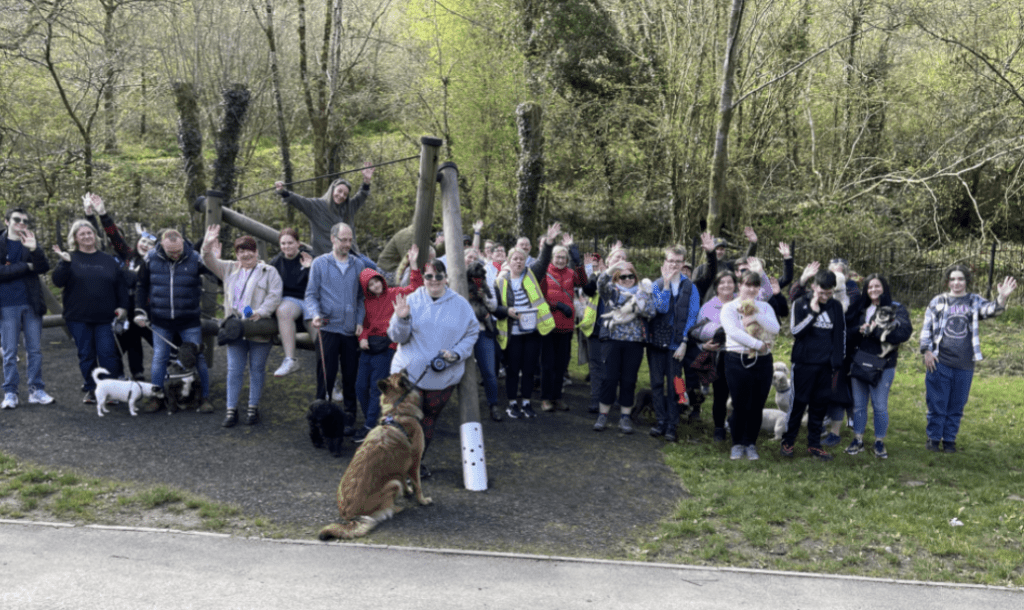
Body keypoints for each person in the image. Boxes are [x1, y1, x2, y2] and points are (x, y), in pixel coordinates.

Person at [389, 260, 478, 476]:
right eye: (429, 276)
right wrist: (402, 319)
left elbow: (472, 333)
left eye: (439, 276)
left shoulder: (461, 305)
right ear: (424, 278)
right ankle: (395, 467)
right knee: (404, 421)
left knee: (428, 421)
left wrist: (457, 353)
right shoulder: (411, 300)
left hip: (443, 377)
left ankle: (415, 466)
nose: (434, 281)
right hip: (408, 375)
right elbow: (396, 336)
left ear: (446, 278)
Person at [920, 266, 1016, 453]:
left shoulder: (973, 300)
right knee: (937, 403)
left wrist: (1003, 297)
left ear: (967, 281)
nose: (957, 283)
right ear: (948, 281)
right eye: (953, 279)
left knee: (957, 404)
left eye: (961, 279)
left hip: (965, 364)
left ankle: (949, 441)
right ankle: (933, 439)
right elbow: (927, 327)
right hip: (940, 362)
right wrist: (926, 351)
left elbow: (992, 310)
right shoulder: (938, 301)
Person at [201, 225, 283, 427]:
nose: (245, 254)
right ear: (236, 254)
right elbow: (208, 260)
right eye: (241, 250)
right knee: (234, 370)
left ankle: (252, 408)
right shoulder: (229, 268)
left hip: (259, 328)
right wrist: (207, 243)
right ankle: (231, 410)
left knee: (257, 369)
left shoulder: (269, 271)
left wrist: (260, 312)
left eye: (249, 250)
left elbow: (274, 296)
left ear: (256, 252)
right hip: (234, 328)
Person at [133, 228, 213, 413]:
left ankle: (204, 397)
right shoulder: (150, 258)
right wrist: (140, 311)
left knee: (198, 357)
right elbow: (141, 285)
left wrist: (212, 257)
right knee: (160, 357)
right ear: (161, 245)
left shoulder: (194, 257)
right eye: (171, 252)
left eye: (179, 250)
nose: (176, 254)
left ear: (183, 243)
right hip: (161, 320)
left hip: (189, 319)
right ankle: (157, 395)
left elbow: (216, 275)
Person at [52, 219, 130, 404]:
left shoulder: (108, 259)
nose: (87, 236)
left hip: (105, 317)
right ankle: (92, 389)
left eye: (90, 233)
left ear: (95, 236)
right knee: (86, 354)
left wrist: (123, 306)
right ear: (75, 238)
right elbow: (57, 282)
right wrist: (64, 263)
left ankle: (110, 391)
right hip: (78, 318)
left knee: (107, 353)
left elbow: (121, 286)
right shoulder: (69, 257)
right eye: (82, 234)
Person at [81, 193, 155, 382]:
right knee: (121, 344)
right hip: (123, 308)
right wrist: (99, 214)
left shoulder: (156, 263)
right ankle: (121, 377)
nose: (145, 245)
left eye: (150, 243)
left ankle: (175, 375)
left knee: (157, 343)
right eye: (143, 241)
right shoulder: (127, 256)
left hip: (146, 311)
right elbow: (112, 236)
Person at [354, 244, 422, 442]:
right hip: (369, 348)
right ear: (367, 288)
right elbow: (364, 324)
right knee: (360, 386)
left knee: (378, 387)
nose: (376, 287)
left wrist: (414, 263)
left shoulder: (394, 293)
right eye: (371, 285)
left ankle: (369, 426)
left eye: (378, 282)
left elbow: (415, 288)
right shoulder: (366, 303)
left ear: (382, 280)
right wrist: (362, 337)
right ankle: (372, 419)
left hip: (386, 347)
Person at [844, 274, 912, 458]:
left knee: (880, 405)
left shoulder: (896, 308)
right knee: (858, 406)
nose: (873, 290)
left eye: (877, 286)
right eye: (870, 287)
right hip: (859, 362)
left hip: (884, 364)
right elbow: (846, 332)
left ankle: (879, 442)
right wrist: (857, 330)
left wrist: (875, 331)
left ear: (884, 288)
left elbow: (903, 333)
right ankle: (857, 439)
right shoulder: (859, 308)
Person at [781, 269, 846, 461]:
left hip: (826, 365)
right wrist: (813, 313)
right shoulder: (800, 303)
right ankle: (788, 442)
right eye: (822, 293)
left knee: (819, 405)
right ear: (813, 287)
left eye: (829, 293)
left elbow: (840, 335)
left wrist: (837, 361)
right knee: (798, 403)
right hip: (804, 363)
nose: (826, 296)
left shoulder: (835, 307)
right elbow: (795, 331)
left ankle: (814, 445)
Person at [304, 222, 367, 422]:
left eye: (350, 240)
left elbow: (361, 298)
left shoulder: (358, 265)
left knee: (351, 376)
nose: (348, 244)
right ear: (333, 239)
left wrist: (359, 320)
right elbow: (311, 295)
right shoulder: (320, 263)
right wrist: (314, 313)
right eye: (344, 240)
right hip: (327, 327)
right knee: (326, 376)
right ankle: (319, 418)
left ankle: (349, 417)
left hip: (349, 329)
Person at [495, 224, 559, 419]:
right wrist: (508, 311)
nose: (518, 262)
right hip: (512, 334)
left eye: (522, 259)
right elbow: (496, 308)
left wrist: (548, 242)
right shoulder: (500, 281)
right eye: (515, 258)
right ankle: (513, 403)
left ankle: (527, 402)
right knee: (513, 370)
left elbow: (544, 260)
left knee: (529, 370)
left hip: (532, 332)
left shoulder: (532, 274)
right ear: (509, 261)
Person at [720, 271, 780, 460]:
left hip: (762, 361)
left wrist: (756, 314)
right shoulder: (729, 308)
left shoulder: (765, 306)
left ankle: (750, 443)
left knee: (757, 404)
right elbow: (733, 332)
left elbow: (775, 328)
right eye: (748, 284)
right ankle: (737, 443)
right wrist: (758, 345)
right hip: (737, 359)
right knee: (739, 403)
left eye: (756, 285)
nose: (752, 289)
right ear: (740, 286)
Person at [594, 260, 656, 434]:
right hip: (612, 340)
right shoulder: (611, 292)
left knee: (629, 380)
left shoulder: (643, 292)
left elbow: (651, 311)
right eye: (623, 276)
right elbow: (600, 282)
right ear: (617, 277)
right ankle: (603, 415)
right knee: (609, 378)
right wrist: (615, 266)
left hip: (634, 342)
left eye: (631, 276)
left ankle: (625, 417)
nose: (627, 279)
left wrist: (634, 308)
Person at [0, 208, 53, 409]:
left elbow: (43, 267)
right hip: (6, 305)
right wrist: (25, 267)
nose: (21, 223)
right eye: (17, 220)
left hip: (31, 303)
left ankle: (36, 390)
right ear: (7, 221)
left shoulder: (30, 242)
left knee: (35, 350)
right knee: (10, 351)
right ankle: (10, 392)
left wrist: (34, 251)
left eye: (25, 221)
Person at [646, 245, 700, 442]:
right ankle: (660, 421)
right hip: (657, 343)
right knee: (657, 383)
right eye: (671, 261)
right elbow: (659, 309)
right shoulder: (656, 285)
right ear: (665, 262)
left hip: (677, 345)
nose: (674, 265)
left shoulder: (691, 287)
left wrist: (685, 341)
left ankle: (672, 424)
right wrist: (667, 286)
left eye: (678, 262)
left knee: (676, 384)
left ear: (683, 263)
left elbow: (692, 317)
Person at [274, 163, 374, 256]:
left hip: (350, 254)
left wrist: (367, 180)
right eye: (339, 191)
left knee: (372, 268)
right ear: (332, 189)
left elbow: (361, 196)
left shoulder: (349, 207)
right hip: (326, 255)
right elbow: (298, 200)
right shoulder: (316, 206)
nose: (341, 195)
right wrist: (283, 191)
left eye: (345, 194)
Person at [539, 234, 587, 413]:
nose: (560, 260)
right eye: (557, 257)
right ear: (552, 258)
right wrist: (556, 305)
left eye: (563, 257)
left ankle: (557, 397)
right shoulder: (545, 273)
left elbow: (583, 282)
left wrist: (578, 260)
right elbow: (540, 298)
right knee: (548, 364)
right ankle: (545, 399)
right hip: (548, 325)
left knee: (561, 365)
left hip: (566, 326)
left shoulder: (570, 273)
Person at [694, 271, 739, 442]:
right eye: (722, 283)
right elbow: (696, 331)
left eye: (730, 282)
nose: (726, 285)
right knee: (720, 394)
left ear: (735, 285)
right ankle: (719, 427)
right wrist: (704, 344)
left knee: (739, 393)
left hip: (740, 355)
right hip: (720, 357)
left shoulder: (742, 303)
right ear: (716, 287)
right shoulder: (708, 307)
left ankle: (735, 424)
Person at [269, 228, 313, 377]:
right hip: (290, 300)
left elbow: (322, 283)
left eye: (290, 243)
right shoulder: (276, 262)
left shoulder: (308, 257)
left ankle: (330, 382)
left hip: (310, 299)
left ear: (298, 243)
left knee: (319, 334)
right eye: (283, 243)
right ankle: (290, 359)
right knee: (283, 310)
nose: (286, 246)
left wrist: (310, 268)